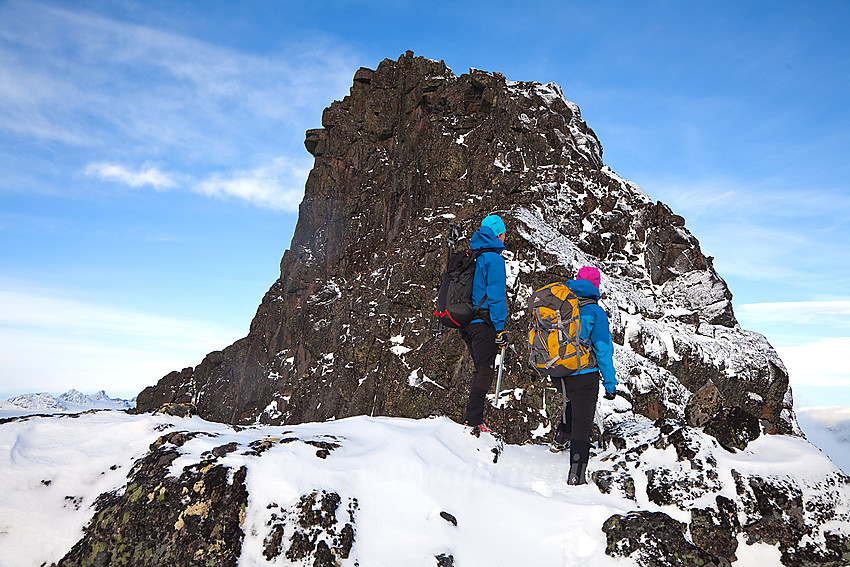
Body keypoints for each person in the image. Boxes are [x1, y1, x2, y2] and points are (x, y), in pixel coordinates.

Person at [550, 266, 617, 485]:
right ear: (596, 285)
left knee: (573, 400)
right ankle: (576, 474)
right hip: (584, 374)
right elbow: (603, 349)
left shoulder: (559, 303)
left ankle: (560, 438)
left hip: (558, 371)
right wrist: (610, 383)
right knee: (583, 422)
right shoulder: (594, 311)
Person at [460, 214, 509, 434]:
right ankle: (473, 420)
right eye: (504, 232)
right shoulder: (494, 259)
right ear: (498, 233)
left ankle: (473, 417)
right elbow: (496, 296)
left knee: (481, 368)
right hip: (483, 322)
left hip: (466, 321)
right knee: (485, 370)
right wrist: (500, 328)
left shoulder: (474, 254)